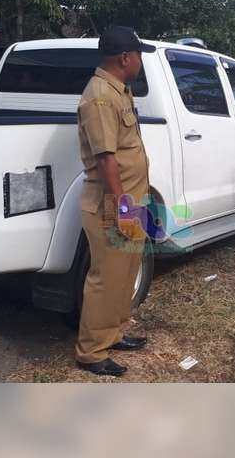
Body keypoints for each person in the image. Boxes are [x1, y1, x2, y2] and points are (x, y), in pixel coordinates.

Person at [75, 25, 155, 377]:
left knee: (125, 273)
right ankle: (91, 352)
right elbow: (106, 159)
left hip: (130, 201)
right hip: (112, 204)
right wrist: (122, 208)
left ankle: (114, 334)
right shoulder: (100, 97)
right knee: (106, 278)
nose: (140, 61)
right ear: (125, 58)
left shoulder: (120, 91)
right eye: (138, 55)